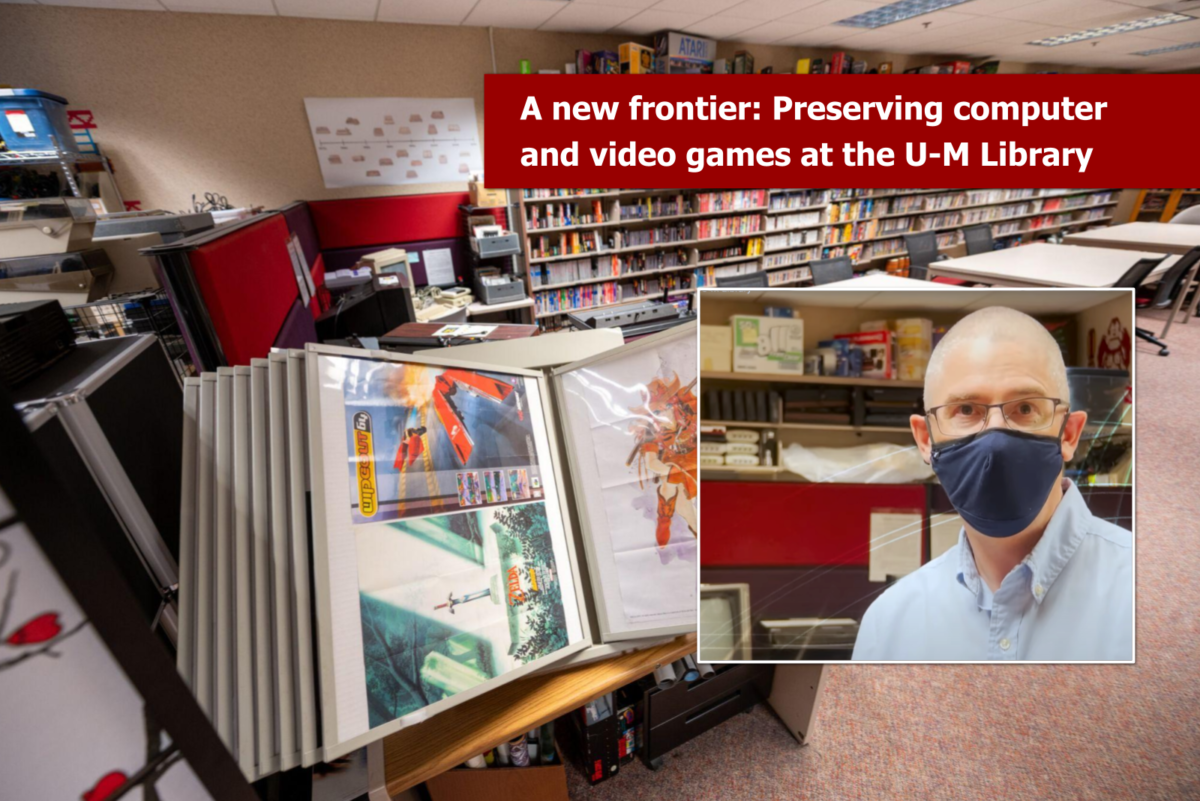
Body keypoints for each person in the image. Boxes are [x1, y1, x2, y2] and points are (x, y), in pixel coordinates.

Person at [852, 307, 1132, 661]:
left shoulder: (1146, 595)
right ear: (926, 440)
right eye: (966, 410)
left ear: (1069, 433)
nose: (996, 438)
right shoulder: (890, 625)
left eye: (1026, 408)